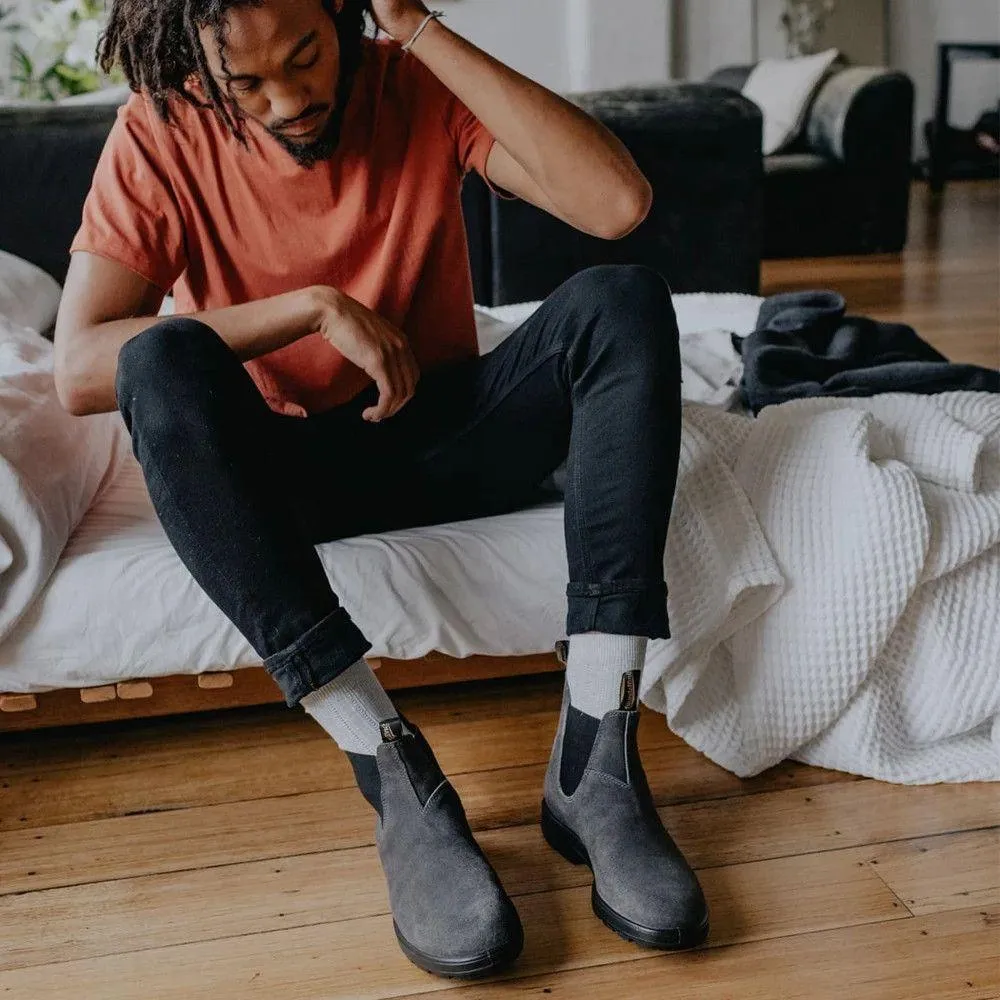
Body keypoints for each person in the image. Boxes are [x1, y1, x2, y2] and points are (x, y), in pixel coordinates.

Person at [54, 0, 708, 979]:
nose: (290, 100)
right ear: (197, 69)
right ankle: (392, 768)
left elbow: (616, 205)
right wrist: (310, 310)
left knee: (620, 299)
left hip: (451, 435)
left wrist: (416, 26)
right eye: (248, 83)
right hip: (289, 477)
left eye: (308, 56)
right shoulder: (161, 128)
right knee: (159, 362)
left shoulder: (407, 78)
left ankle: (596, 761)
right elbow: (78, 369)